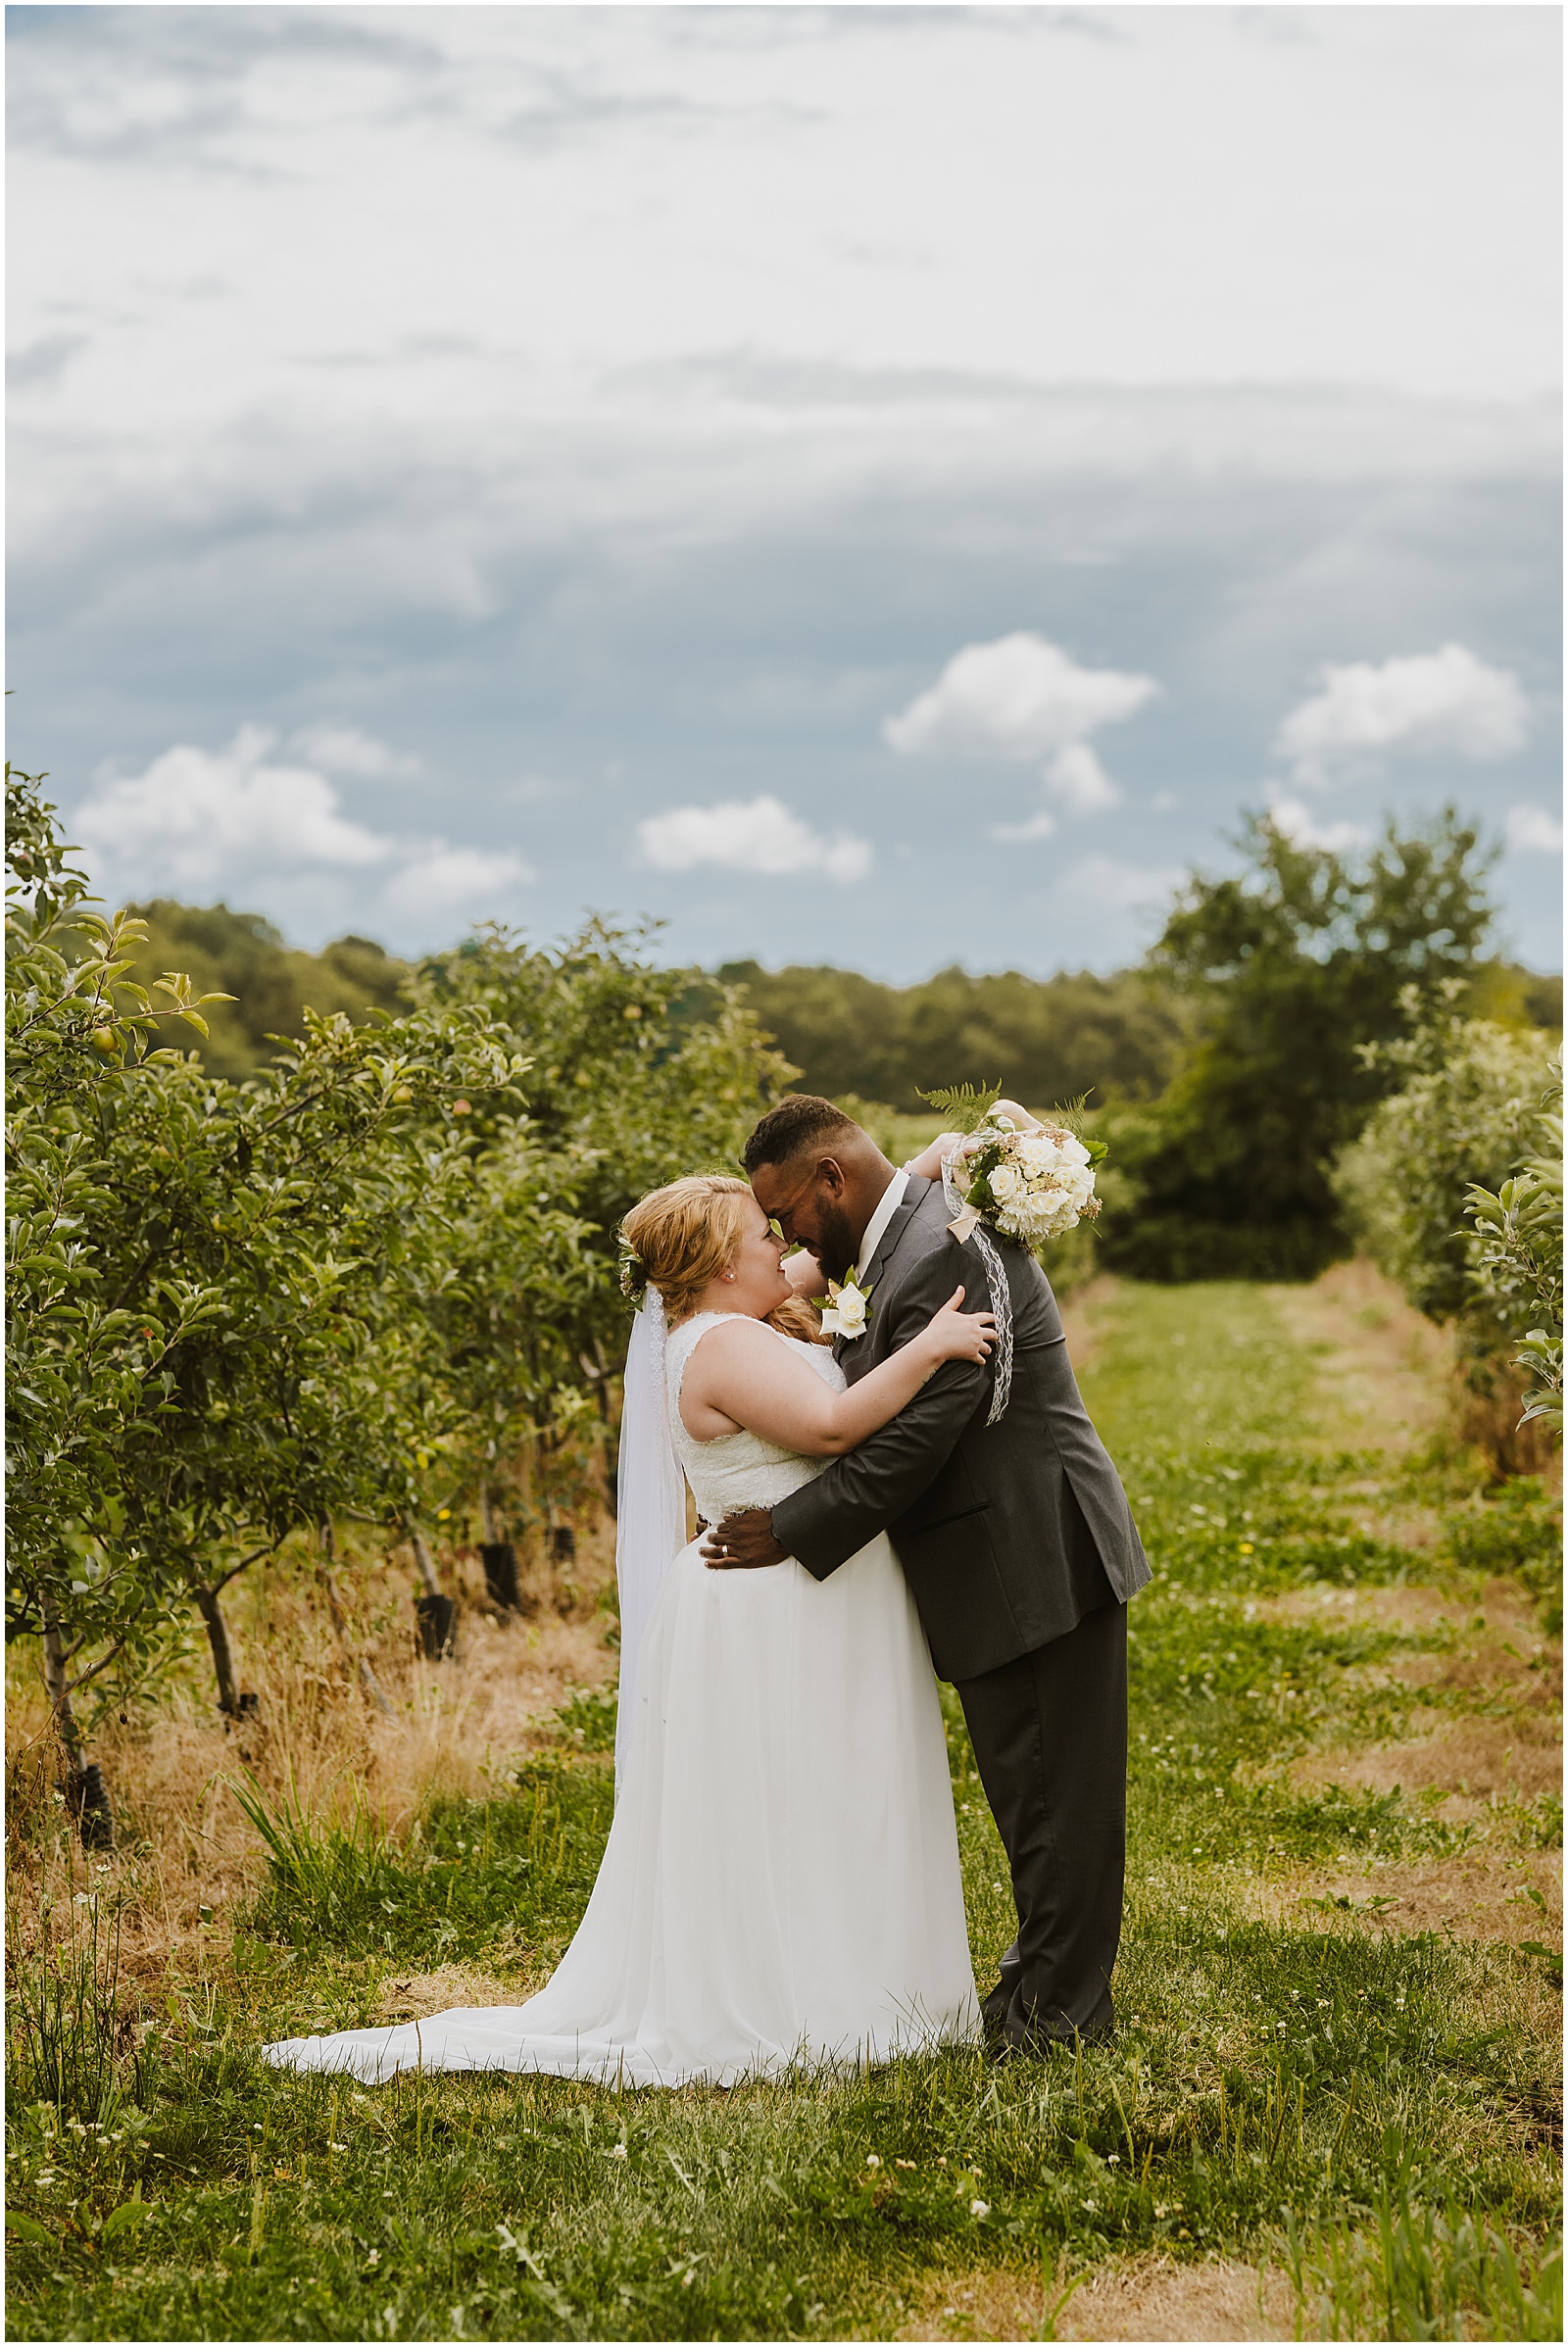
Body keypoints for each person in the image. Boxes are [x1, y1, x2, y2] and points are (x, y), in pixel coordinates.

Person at [261, 1174, 994, 2086]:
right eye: (762, 1235)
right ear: (725, 1263)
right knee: (787, 1799)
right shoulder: (718, 1345)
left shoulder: (735, 1310)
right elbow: (835, 1424)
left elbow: (830, 1256)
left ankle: (863, 1982)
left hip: (812, 1592)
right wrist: (933, 1345)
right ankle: (804, 1998)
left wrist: (925, 1168)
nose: (782, 1245)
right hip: (765, 1607)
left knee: (835, 1787)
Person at [706, 1096, 1150, 2052]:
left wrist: (787, 1527)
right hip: (991, 1555)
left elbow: (916, 1441)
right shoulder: (899, 1232)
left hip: (1034, 1546)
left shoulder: (942, 1247)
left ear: (831, 1177)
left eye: (785, 1214)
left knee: (1058, 1797)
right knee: (1027, 1793)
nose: (786, 1240)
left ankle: (1064, 2022)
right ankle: (1033, 1991)